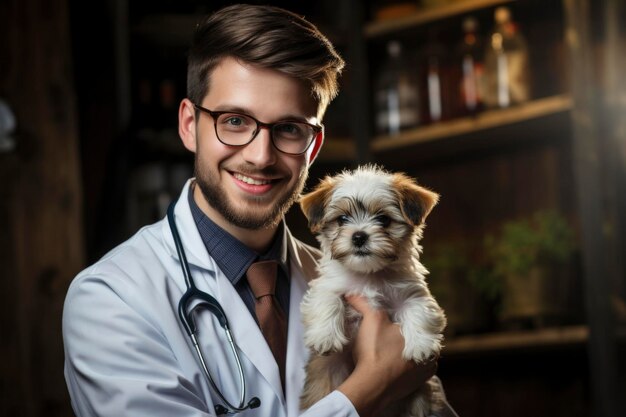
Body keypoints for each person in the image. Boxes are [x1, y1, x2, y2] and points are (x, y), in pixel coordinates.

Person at [63, 4, 459, 417]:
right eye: (234, 120)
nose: (260, 155)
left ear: (313, 147)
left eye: (289, 128)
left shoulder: (360, 281)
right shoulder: (110, 300)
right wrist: (368, 389)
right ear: (188, 125)